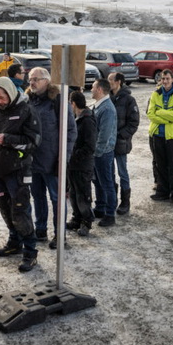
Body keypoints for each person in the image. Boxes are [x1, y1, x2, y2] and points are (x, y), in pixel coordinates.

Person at [0, 77, 41, 272]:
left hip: (17, 170)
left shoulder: (26, 110)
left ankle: (30, 251)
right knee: (4, 208)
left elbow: (33, 141)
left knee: (20, 210)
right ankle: (14, 241)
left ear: (10, 92)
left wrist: (7, 139)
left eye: (2, 97)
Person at [26, 67, 77, 249]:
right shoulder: (28, 100)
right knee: (37, 196)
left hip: (53, 161)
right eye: (30, 79)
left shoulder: (57, 100)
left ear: (46, 81)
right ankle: (40, 229)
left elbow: (71, 130)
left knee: (57, 199)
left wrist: (63, 158)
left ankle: (59, 235)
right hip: (33, 161)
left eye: (36, 79)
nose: (31, 82)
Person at [147, 70, 173, 207]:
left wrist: (160, 112)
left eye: (167, 78)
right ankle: (163, 191)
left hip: (172, 136)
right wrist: (166, 116)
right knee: (160, 164)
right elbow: (150, 114)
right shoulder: (155, 94)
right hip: (157, 135)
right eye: (163, 78)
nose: (165, 81)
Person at [108, 72, 140, 215]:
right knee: (109, 173)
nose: (108, 82)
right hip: (107, 143)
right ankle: (112, 200)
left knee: (122, 173)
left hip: (121, 142)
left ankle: (125, 202)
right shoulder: (106, 97)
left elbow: (134, 122)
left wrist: (121, 135)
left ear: (118, 82)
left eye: (110, 80)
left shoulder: (129, 100)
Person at [67, 90, 97, 237]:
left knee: (83, 195)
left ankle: (86, 221)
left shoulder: (87, 120)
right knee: (73, 193)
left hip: (82, 165)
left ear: (73, 104)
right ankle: (77, 219)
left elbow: (90, 146)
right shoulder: (77, 118)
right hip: (73, 164)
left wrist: (73, 156)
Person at [90, 78, 118, 224]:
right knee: (98, 182)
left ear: (100, 90)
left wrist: (96, 152)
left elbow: (104, 135)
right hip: (98, 152)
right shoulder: (99, 105)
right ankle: (100, 207)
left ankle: (110, 214)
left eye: (93, 87)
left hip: (102, 152)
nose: (91, 89)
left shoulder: (107, 109)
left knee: (106, 182)